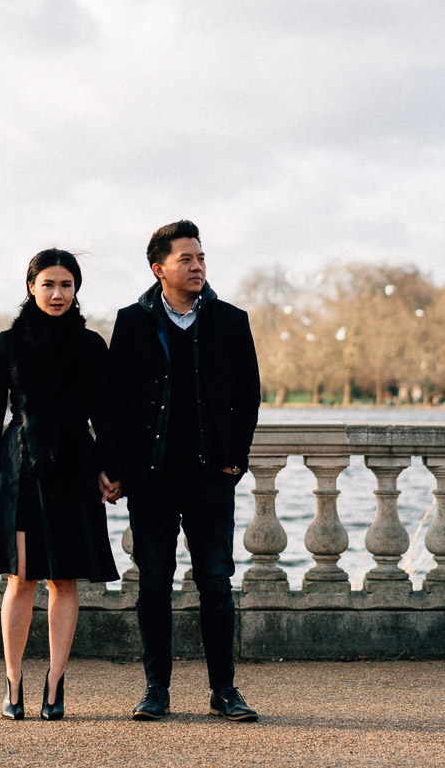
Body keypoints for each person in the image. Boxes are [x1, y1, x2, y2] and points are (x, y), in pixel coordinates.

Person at [105, 220, 262, 722]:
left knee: (216, 582)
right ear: (159, 268)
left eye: (201, 258)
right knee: (154, 582)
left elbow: (247, 397)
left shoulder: (231, 321)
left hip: (210, 476)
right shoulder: (132, 322)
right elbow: (113, 404)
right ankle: (156, 690)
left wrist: (234, 461)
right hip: (150, 477)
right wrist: (114, 467)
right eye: (185, 260)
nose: (197, 267)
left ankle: (224, 690)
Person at [0, 248, 119, 720]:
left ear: (76, 289)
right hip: (20, 466)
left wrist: (108, 466)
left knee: (64, 579)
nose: (58, 294)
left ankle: (56, 681)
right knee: (21, 578)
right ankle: (14, 679)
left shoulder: (91, 345)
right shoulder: (6, 344)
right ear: (31, 287)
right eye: (49, 285)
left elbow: (104, 414)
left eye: (66, 285)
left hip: (76, 466)